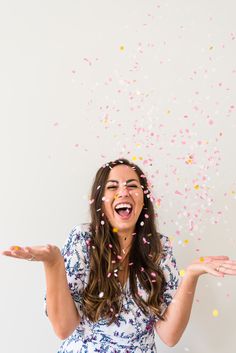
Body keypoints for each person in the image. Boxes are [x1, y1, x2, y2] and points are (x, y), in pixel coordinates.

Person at [1, 158, 236, 353]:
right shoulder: (83, 239)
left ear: (143, 199)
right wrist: (53, 262)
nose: (123, 191)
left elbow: (170, 336)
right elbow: (63, 328)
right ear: (101, 201)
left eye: (132, 185)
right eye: (113, 187)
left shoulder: (159, 247)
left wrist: (191, 275)